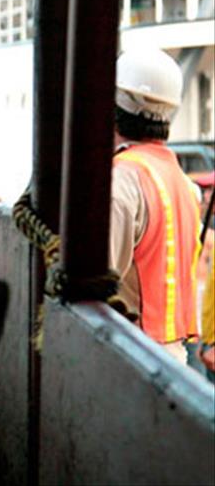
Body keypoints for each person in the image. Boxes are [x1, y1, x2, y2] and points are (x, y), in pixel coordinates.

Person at [109, 47, 201, 364]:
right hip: (172, 359)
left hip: (131, 358)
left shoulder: (122, 179)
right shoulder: (182, 182)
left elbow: (100, 278)